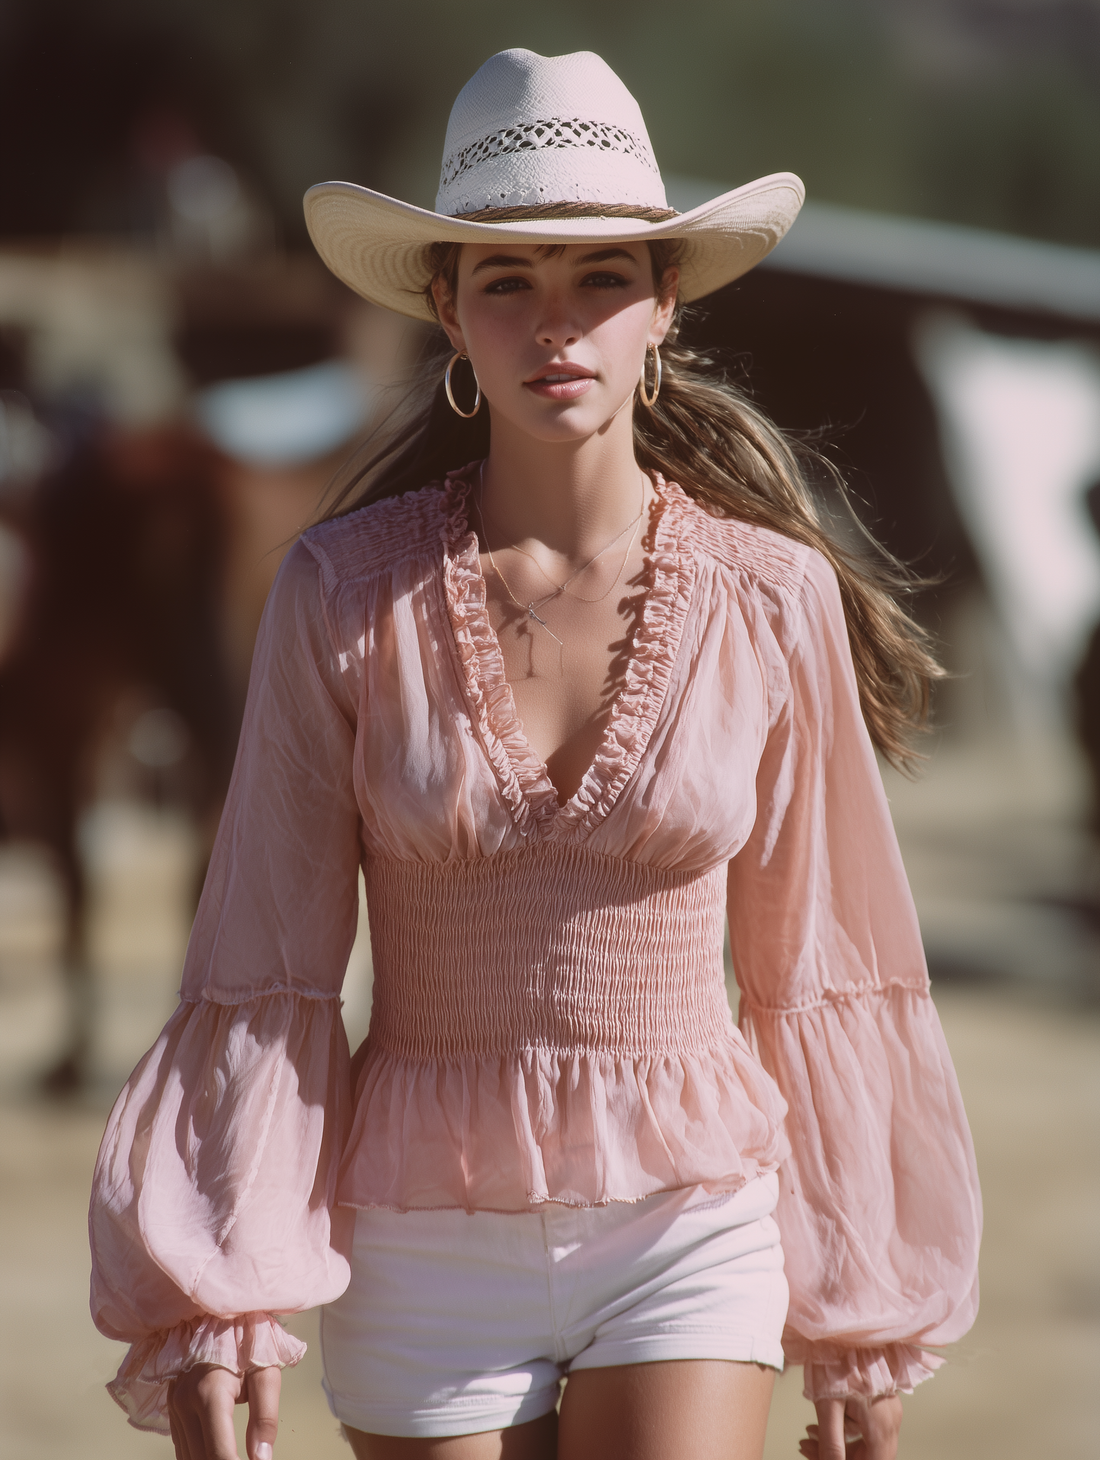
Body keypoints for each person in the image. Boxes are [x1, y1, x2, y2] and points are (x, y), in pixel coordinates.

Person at [89, 48, 981, 1460]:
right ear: (447, 309)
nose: (553, 325)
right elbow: (267, 963)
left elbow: (827, 966)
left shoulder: (771, 598)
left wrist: (856, 1321)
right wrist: (223, 1299)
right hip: (421, 1242)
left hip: (688, 1227)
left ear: (664, 304)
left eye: (599, 280)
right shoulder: (340, 594)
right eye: (508, 282)